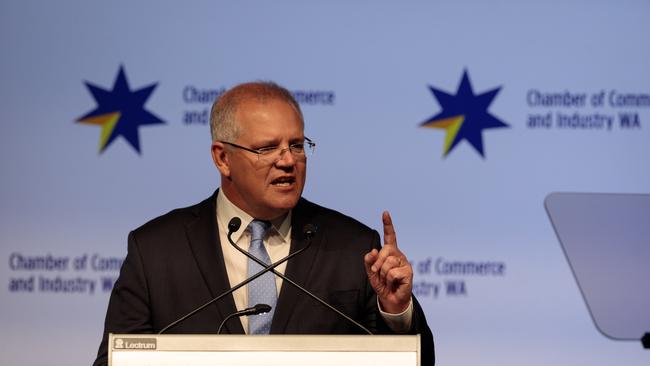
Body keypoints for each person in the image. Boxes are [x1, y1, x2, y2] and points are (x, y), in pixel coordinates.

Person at [92, 82, 434, 365]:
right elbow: (115, 359)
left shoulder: (352, 247)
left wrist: (396, 310)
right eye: (267, 148)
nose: (287, 161)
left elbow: (415, 361)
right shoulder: (156, 250)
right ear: (222, 158)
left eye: (297, 146)